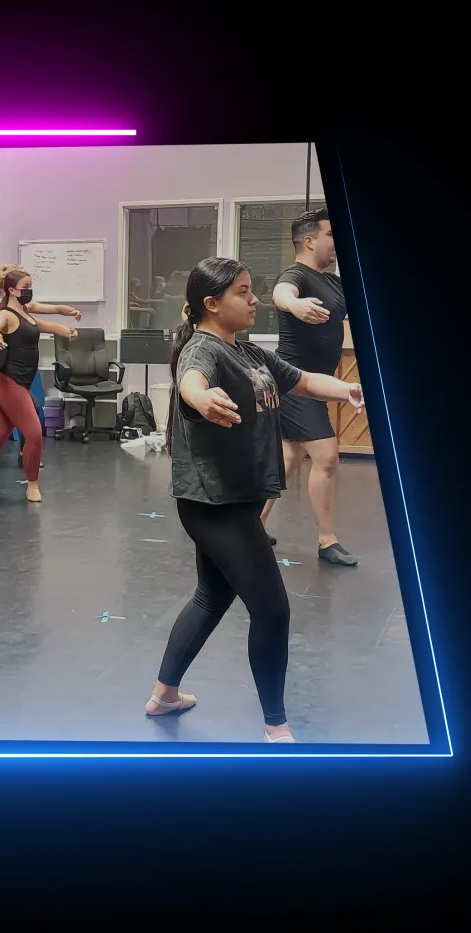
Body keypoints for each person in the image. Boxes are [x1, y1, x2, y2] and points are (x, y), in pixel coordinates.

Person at [145, 256, 363, 744]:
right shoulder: (203, 349)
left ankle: (164, 696)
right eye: (243, 292)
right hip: (215, 504)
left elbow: (304, 381)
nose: (254, 299)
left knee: (211, 597)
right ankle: (276, 727)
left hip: (237, 496)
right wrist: (201, 400)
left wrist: (347, 389)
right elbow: (191, 380)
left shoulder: (246, 352)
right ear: (211, 303)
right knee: (272, 610)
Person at [258, 208, 358, 566]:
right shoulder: (295, 276)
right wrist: (295, 304)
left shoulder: (333, 282)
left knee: (290, 456)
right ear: (309, 240)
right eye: (331, 234)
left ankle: (251, 527)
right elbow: (282, 293)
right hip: (292, 382)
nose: (336, 242)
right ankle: (327, 540)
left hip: (319, 384)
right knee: (326, 455)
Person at [0, 269, 76, 503]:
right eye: (25, 287)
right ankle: (32, 486)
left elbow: (45, 325)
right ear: (12, 290)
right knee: (34, 433)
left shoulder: (25, 313)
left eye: (30, 286)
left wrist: (67, 331)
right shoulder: (5, 314)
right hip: (8, 382)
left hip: (17, 382)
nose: (29, 290)